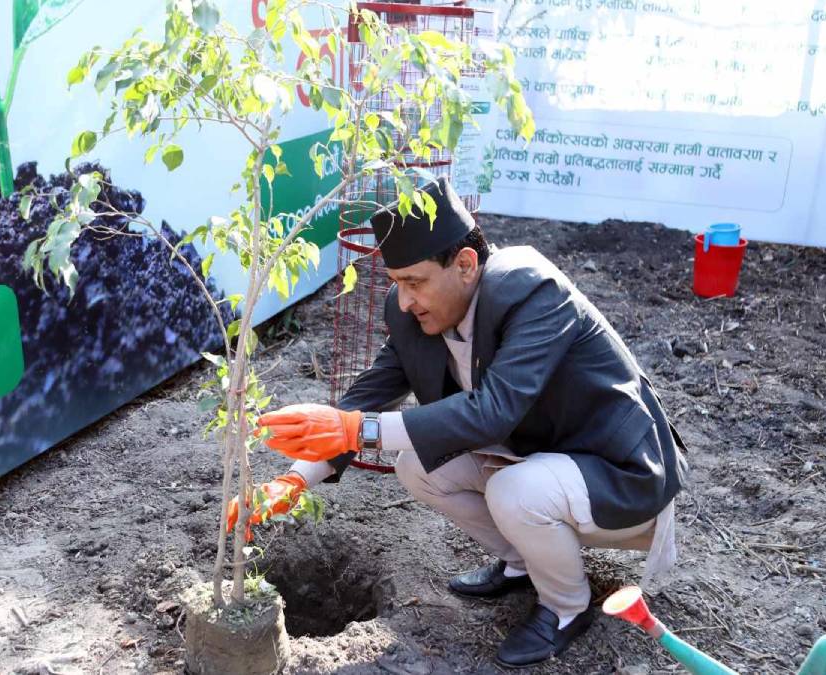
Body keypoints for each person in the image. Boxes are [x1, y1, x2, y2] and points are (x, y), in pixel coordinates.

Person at [228, 177, 688, 668]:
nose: (404, 301)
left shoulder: (534, 291)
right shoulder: (415, 314)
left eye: (415, 282)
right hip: (539, 457)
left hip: (621, 474)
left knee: (515, 492)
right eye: (397, 283)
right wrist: (295, 478)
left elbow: (494, 411)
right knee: (417, 465)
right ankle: (521, 564)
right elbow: (362, 401)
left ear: (466, 265)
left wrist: (359, 430)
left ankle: (567, 606)